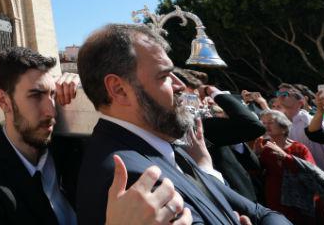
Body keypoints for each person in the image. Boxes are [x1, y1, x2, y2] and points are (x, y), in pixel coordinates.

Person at [75, 24, 290, 225]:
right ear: (120, 90)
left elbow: (262, 213)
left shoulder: (165, 149)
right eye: (164, 76)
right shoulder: (135, 181)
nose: (180, 85)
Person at [0, 46, 193, 225]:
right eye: (36, 95)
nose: (50, 110)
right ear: (3, 100)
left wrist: (83, 94)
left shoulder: (70, 145)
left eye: (51, 95)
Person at [272, 83, 324, 192]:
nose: (280, 96)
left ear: (301, 102)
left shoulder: (312, 123)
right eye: (278, 94)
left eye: (285, 94)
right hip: (298, 189)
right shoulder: (277, 126)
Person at [254, 110, 320, 225]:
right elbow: (256, 174)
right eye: (263, 122)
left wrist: (285, 157)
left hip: (299, 203)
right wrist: (256, 155)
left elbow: (311, 172)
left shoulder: (299, 148)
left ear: (284, 127)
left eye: (270, 122)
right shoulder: (264, 148)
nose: (265, 126)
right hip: (275, 200)